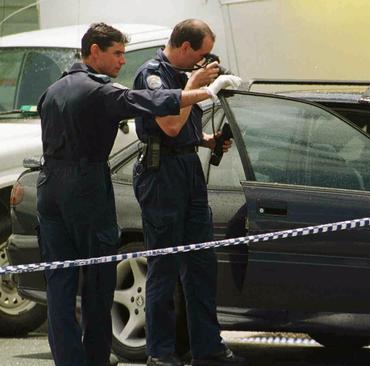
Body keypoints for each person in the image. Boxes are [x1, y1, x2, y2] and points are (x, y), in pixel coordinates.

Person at [36, 23, 231, 366]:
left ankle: (68, 360)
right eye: (117, 54)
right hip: (86, 185)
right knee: (98, 278)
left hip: (49, 184)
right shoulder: (101, 91)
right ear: (94, 51)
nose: (122, 61)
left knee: (60, 281)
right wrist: (206, 90)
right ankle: (95, 359)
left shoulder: (52, 90)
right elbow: (151, 102)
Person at [132, 19, 245, 366]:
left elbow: (185, 129)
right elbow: (169, 125)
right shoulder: (152, 74)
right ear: (184, 47)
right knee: (164, 267)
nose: (204, 60)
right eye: (201, 53)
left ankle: (207, 347)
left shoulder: (182, 76)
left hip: (188, 169)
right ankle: (161, 353)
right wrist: (196, 85)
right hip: (160, 172)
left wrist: (209, 139)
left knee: (201, 264)